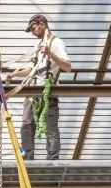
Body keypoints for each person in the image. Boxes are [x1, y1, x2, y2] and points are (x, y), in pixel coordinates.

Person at [5, 14, 71, 161]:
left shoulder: (56, 43)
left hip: (48, 91)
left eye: (33, 28)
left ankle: (53, 160)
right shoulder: (37, 46)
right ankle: (27, 157)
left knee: (50, 126)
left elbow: (67, 67)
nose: (32, 32)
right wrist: (14, 74)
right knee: (26, 124)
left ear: (41, 24)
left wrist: (49, 53)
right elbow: (31, 70)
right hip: (32, 91)